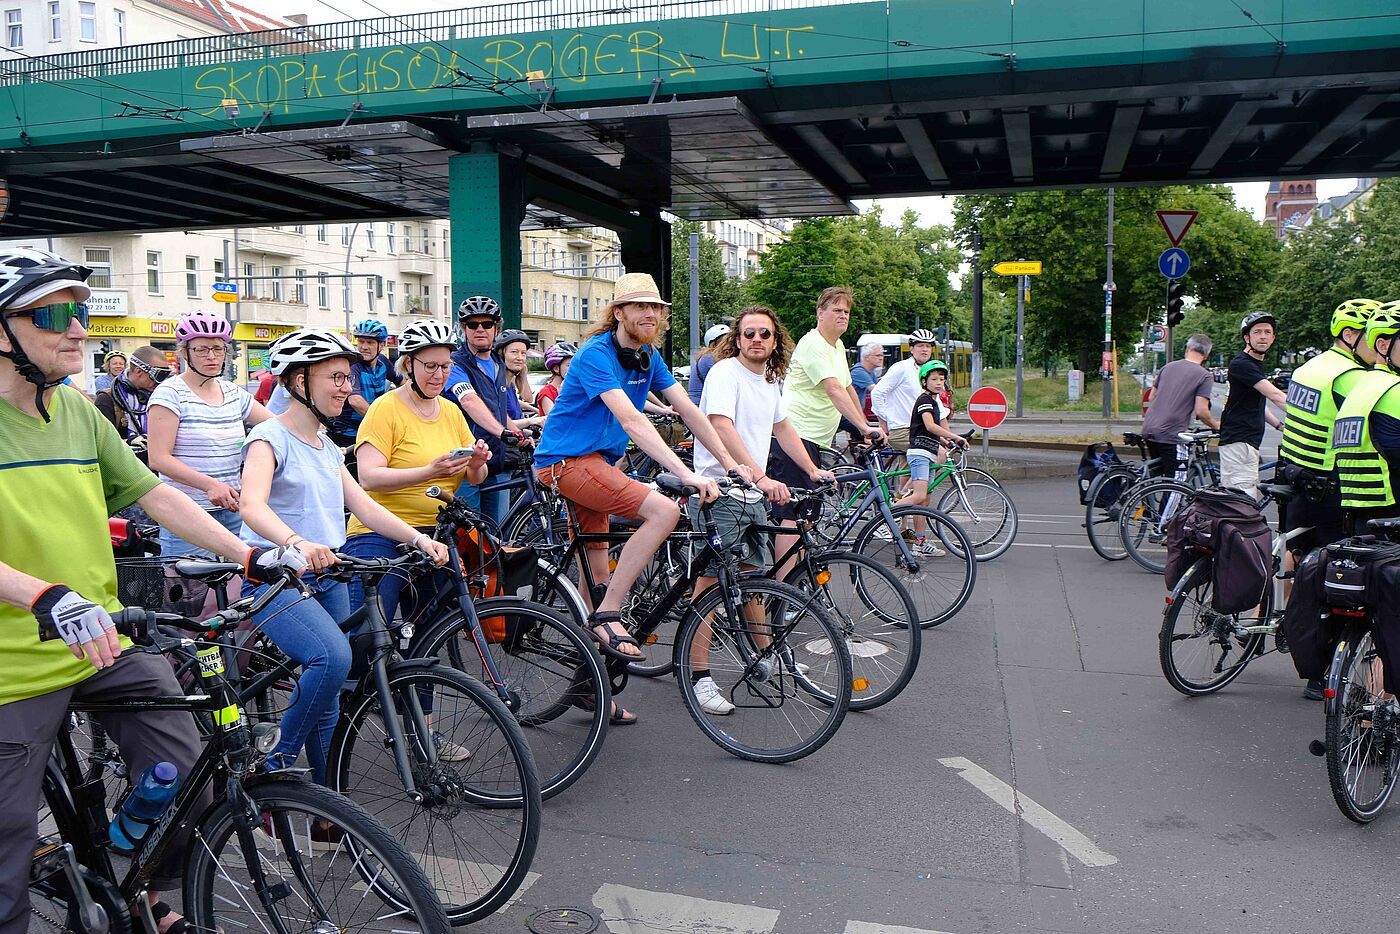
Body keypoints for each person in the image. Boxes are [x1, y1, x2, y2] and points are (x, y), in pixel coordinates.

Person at [0, 247, 289, 934]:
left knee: (188, 763)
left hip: (100, 638)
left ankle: (133, 885)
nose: (79, 328)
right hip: (12, 664)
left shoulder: (75, 412)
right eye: (56, 312)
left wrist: (249, 551)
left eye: (83, 310)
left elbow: (155, 493)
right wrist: (42, 595)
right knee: (6, 838)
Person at [238, 327, 451, 781]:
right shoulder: (269, 438)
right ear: (299, 383)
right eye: (334, 377)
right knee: (332, 658)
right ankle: (272, 769)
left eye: (347, 377)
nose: (346, 387)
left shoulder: (327, 448)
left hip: (328, 572)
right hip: (275, 577)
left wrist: (418, 540)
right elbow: (251, 505)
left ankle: (325, 802)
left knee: (332, 691)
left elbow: (365, 507)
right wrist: (296, 544)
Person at [533, 272, 745, 705]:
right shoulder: (597, 353)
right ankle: (610, 614)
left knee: (598, 572)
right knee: (663, 512)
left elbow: (690, 410)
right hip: (566, 463)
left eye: (657, 308)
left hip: (599, 463)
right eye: (640, 306)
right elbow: (632, 420)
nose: (650, 314)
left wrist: (731, 465)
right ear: (619, 313)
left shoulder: (648, 355)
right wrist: (685, 474)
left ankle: (588, 689)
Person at [688, 306, 833, 715]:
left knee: (752, 579)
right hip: (720, 492)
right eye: (748, 333)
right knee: (710, 591)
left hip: (750, 494)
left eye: (764, 334)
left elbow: (783, 428)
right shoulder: (724, 373)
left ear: (774, 341)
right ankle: (698, 677)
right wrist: (758, 475)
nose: (756, 339)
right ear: (737, 339)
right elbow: (720, 425)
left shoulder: (770, 378)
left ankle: (767, 657)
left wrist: (811, 468)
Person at [343, 320, 490, 627]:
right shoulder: (385, 408)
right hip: (380, 533)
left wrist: (476, 462)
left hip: (435, 534)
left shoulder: (450, 411)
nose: (439, 375)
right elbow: (368, 477)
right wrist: (428, 471)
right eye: (430, 366)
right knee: (370, 632)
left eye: (446, 366)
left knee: (431, 633)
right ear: (408, 364)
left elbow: (476, 478)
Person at [146, 310, 272, 558]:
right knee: (189, 592)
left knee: (239, 588)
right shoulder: (170, 393)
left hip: (234, 508)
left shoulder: (233, 393)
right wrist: (210, 485)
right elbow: (159, 458)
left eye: (218, 348)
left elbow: (277, 427)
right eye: (201, 349)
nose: (211, 356)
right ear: (185, 352)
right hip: (187, 514)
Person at [769, 286, 884, 529]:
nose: (843, 315)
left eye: (847, 311)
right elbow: (833, 389)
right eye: (837, 310)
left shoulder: (837, 346)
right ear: (820, 313)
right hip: (796, 434)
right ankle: (787, 569)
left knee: (807, 516)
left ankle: (800, 566)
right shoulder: (813, 343)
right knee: (794, 516)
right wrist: (863, 428)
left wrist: (865, 425)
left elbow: (848, 387)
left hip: (813, 438)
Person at [446, 295, 530, 527]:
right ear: (464, 328)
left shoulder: (497, 363)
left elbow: (497, 411)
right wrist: (503, 433)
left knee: (497, 535)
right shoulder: (455, 364)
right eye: (473, 324)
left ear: (496, 328)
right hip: (465, 464)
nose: (480, 329)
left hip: (496, 463)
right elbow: (470, 401)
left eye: (487, 324)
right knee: (468, 536)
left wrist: (519, 435)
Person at [893, 360, 969, 556]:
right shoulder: (925, 401)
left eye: (942, 379)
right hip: (919, 453)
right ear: (924, 381)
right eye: (934, 379)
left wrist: (946, 442)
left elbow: (932, 434)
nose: (938, 383)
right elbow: (929, 426)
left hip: (929, 453)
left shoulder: (934, 402)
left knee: (923, 501)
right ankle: (885, 518)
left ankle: (920, 543)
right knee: (918, 496)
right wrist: (955, 436)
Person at [1217, 311, 1287, 501]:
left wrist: (1280, 426)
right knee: (1240, 503)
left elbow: (1257, 403)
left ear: (1273, 338)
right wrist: (1306, 417)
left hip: (1247, 442)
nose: (1263, 336)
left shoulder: (1254, 364)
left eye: (1267, 332)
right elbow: (1275, 395)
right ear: (1247, 337)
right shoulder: (1242, 364)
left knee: (1244, 499)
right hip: (1239, 442)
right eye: (1257, 332)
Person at [1141, 333, 1220, 480]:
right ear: (1207, 354)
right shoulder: (1204, 375)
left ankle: (1142, 500)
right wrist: (1216, 425)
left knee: (1159, 478)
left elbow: (1152, 397)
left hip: (1149, 429)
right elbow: (1202, 411)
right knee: (1177, 483)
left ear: (1188, 348)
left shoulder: (1167, 367)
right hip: (1172, 434)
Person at [871, 328, 937, 468]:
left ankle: (905, 490)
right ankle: (918, 490)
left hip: (918, 430)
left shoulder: (928, 372)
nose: (924, 350)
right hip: (903, 430)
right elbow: (877, 393)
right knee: (938, 454)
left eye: (928, 346)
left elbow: (938, 407)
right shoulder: (901, 368)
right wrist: (887, 419)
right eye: (920, 346)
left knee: (907, 473)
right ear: (912, 349)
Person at [329, 318, 400, 447]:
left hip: (369, 432)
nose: (364, 347)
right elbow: (355, 401)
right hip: (346, 435)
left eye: (370, 342)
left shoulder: (383, 362)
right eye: (361, 341)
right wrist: (384, 421)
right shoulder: (353, 366)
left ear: (382, 345)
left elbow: (404, 383)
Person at [94, 345, 171, 450]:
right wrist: (129, 442)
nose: (159, 383)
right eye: (157, 376)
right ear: (139, 371)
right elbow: (102, 444)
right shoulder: (106, 400)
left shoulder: (160, 397)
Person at [687, 323, 729, 405]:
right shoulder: (709, 358)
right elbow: (726, 382)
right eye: (724, 342)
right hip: (699, 409)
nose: (729, 345)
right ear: (714, 344)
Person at [536, 341, 577, 416]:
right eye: (569, 365)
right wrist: (563, 397)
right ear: (556, 369)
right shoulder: (547, 392)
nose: (574, 369)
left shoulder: (574, 389)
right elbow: (554, 419)